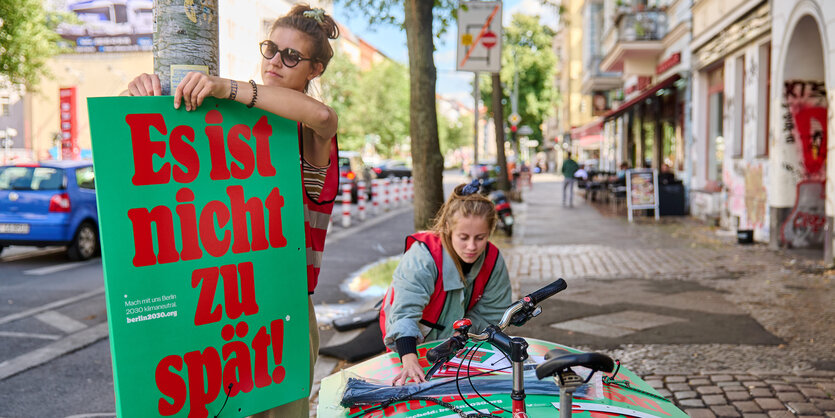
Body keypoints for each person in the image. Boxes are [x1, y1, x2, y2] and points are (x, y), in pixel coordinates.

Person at [126, 5, 339, 417]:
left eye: (291, 56)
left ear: (314, 70)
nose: (276, 61)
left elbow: (323, 115)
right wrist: (137, 95)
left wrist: (226, 86)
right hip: (218, 310)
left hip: (282, 312)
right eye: (271, 49)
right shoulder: (230, 117)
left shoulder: (306, 129)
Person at [379, 181, 512, 386]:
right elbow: (404, 313)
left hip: (458, 347)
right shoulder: (423, 258)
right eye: (463, 237)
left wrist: (462, 334)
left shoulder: (493, 260)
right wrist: (408, 358)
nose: (471, 246)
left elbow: (492, 314)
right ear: (448, 228)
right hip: (410, 344)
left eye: (480, 238)